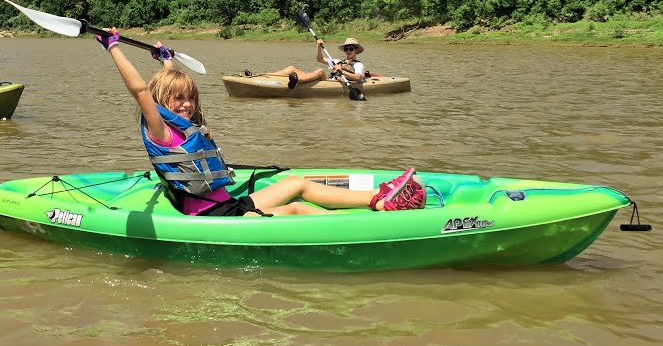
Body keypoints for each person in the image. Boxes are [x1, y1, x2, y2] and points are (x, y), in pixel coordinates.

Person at [96, 28, 425, 217]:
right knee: (296, 208)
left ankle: (380, 199)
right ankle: (369, 227)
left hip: (226, 203)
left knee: (298, 183)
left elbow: (168, 86)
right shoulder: (161, 131)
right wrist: (113, 48)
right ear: (162, 103)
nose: (186, 104)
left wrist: (166, 59)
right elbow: (141, 90)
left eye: (190, 98)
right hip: (212, 216)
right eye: (177, 100)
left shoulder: (181, 122)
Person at [269, 37, 366, 90]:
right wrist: (319, 46)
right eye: (346, 49)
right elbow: (320, 59)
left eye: (351, 49)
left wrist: (342, 72)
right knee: (291, 68)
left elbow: (358, 77)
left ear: (356, 50)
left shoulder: (358, 65)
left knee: (320, 71)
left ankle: (298, 80)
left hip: (334, 84)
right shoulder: (337, 62)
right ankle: (267, 76)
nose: (348, 51)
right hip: (329, 80)